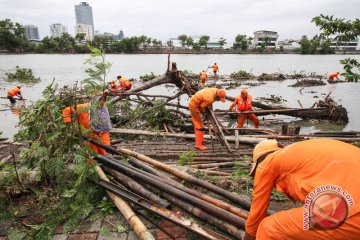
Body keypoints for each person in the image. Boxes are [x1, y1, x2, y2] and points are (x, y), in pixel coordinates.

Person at [243, 139, 360, 240]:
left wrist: (249, 236)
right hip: (351, 208)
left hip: (350, 211)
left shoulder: (267, 162)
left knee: (268, 228)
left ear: (258, 161)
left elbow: (256, 217)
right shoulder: (302, 153)